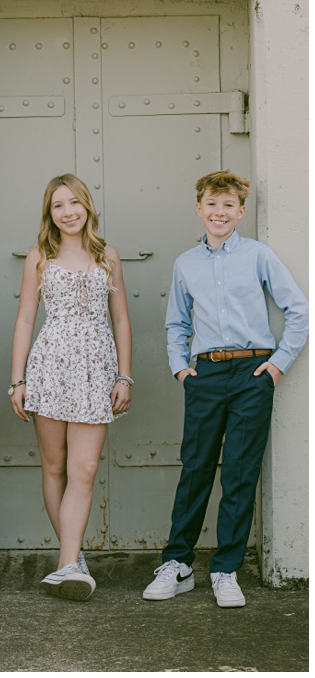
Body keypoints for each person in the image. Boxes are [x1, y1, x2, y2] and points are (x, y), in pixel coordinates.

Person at [142, 170, 308, 608]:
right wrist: (181, 369)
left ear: (240, 211)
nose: (219, 212)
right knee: (196, 466)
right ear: (199, 209)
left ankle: (225, 568)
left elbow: (299, 310)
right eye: (212, 205)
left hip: (254, 374)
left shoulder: (258, 256)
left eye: (228, 205)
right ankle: (177, 565)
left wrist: (277, 366)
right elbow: (177, 323)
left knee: (239, 470)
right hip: (206, 376)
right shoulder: (186, 264)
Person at [9, 174, 132, 601]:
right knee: (55, 467)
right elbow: (25, 319)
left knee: (84, 469)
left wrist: (124, 375)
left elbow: (121, 320)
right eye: (59, 205)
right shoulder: (38, 258)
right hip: (50, 368)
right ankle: (72, 563)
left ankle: (67, 564)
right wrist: (18, 379)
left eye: (75, 202)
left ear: (87, 207)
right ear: (50, 213)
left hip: (97, 370)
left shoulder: (108, 256)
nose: (68, 211)